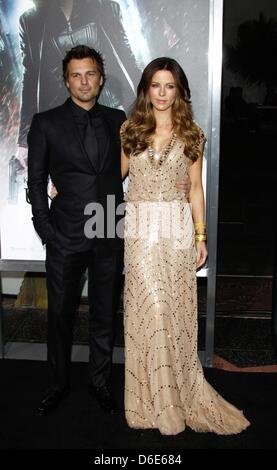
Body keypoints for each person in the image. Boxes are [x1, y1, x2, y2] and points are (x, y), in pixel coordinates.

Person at [120, 57, 250, 435]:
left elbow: (194, 188)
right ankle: (151, 403)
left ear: (179, 91)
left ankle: (175, 397)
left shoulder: (192, 134)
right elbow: (111, 178)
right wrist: (66, 185)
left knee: (173, 314)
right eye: (155, 85)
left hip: (176, 231)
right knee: (150, 310)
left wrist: (200, 236)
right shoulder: (130, 131)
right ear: (146, 89)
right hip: (141, 232)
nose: (161, 93)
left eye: (169, 86)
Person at [27, 45, 126, 415]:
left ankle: (99, 383)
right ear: (66, 80)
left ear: (100, 79)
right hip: (65, 235)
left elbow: (135, 167)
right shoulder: (46, 122)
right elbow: (36, 182)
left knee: (105, 314)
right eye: (76, 75)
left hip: (109, 230)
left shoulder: (119, 120)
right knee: (60, 316)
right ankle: (57, 383)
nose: (84, 81)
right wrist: (46, 229)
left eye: (90, 74)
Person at [17, 0, 140, 170]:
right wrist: (24, 140)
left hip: (111, 105)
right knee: (82, 184)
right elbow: (30, 79)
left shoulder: (105, 7)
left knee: (119, 176)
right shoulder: (30, 21)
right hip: (69, 118)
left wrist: (149, 104)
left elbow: (128, 59)